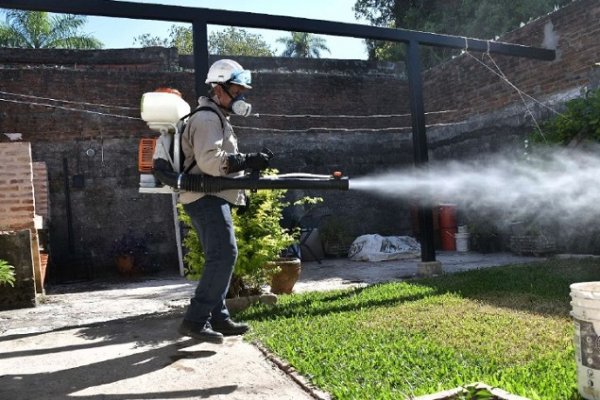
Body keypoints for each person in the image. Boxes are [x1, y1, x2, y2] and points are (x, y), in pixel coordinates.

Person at [177, 59, 271, 343]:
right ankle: (195, 320)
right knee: (225, 255)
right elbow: (210, 163)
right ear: (219, 89)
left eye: (243, 91)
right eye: (237, 91)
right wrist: (247, 159)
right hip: (206, 196)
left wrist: (247, 166)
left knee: (217, 257)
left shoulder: (217, 116)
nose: (241, 97)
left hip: (208, 196)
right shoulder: (207, 118)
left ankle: (219, 317)